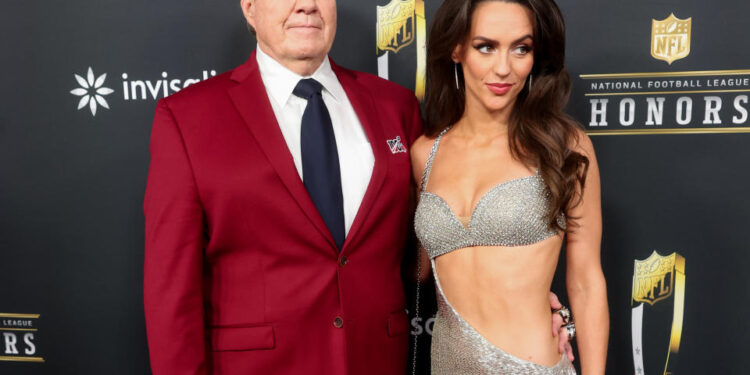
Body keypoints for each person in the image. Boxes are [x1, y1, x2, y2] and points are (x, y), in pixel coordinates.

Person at [143, 0, 574, 374]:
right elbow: (170, 294)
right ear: (249, 8)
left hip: (378, 361)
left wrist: (521, 301)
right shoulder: (188, 119)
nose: (307, 6)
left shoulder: (394, 107)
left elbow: (430, 245)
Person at [411, 0, 608, 374]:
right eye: (486, 46)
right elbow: (418, 270)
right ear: (457, 49)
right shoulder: (425, 153)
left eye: (521, 48)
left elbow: (585, 280)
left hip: (531, 366)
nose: (504, 68)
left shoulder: (564, 146)